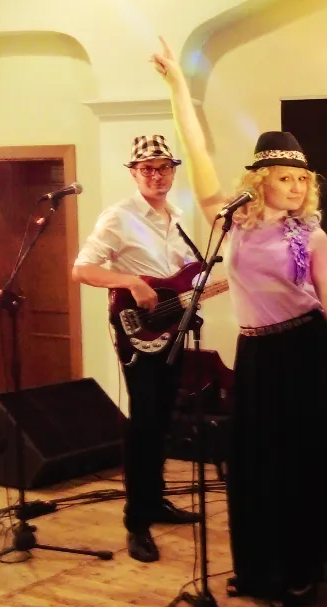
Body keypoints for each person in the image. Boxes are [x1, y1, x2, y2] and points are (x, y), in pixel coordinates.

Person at [151, 37, 327, 607]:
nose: (297, 187)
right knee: (256, 466)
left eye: (302, 180)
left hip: (304, 352)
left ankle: (299, 573)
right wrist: (177, 87)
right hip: (257, 354)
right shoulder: (232, 221)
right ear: (261, 179)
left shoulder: (312, 236)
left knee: (297, 466)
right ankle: (259, 568)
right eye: (286, 178)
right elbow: (196, 152)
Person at [71, 134, 203, 564]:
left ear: (173, 171)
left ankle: (155, 500)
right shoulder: (119, 216)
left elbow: (182, 276)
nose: (156, 176)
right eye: (147, 169)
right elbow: (82, 269)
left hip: (171, 328)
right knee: (144, 420)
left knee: (163, 418)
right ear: (133, 173)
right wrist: (130, 281)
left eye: (163, 168)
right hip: (136, 329)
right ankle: (136, 521)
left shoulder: (178, 218)